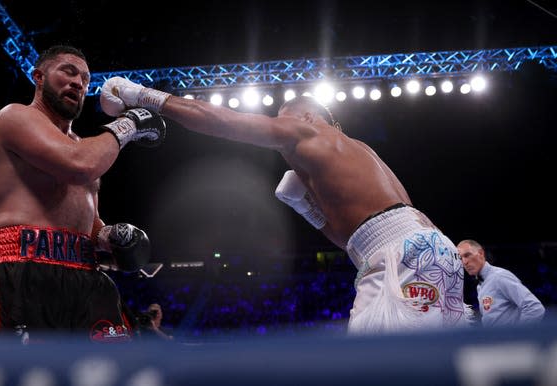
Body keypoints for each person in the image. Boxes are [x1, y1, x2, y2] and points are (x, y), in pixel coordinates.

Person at [99, 77, 470, 334]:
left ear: (308, 117)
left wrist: (142, 95)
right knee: (428, 362)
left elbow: (223, 122)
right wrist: (308, 209)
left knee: (386, 368)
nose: (278, 131)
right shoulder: (360, 155)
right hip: (425, 248)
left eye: (282, 120)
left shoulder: (306, 130)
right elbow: (358, 237)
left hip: (402, 256)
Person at [0, 45, 167, 342]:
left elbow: (89, 220)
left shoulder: (83, 145)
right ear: (39, 77)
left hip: (87, 275)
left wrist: (109, 236)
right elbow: (79, 165)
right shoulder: (14, 117)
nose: (78, 83)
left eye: (85, 79)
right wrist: (129, 123)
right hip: (21, 267)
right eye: (68, 72)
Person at [457, 239, 545, 327]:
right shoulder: (480, 285)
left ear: (481, 253)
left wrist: (517, 336)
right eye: (461, 258)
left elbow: (535, 308)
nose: (464, 262)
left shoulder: (499, 277)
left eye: (467, 255)